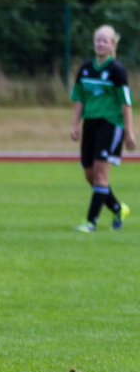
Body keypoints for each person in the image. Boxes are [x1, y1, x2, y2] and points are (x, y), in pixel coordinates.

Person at [70, 24, 136, 232]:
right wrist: (75, 124)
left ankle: (91, 222)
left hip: (110, 124)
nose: (100, 44)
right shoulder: (86, 68)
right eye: (97, 40)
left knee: (100, 175)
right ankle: (118, 208)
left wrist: (129, 132)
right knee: (89, 174)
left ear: (112, 45)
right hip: (90, 123)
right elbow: (79, 98)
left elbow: (126, 103)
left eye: (105, 40)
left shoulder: (117, 70)